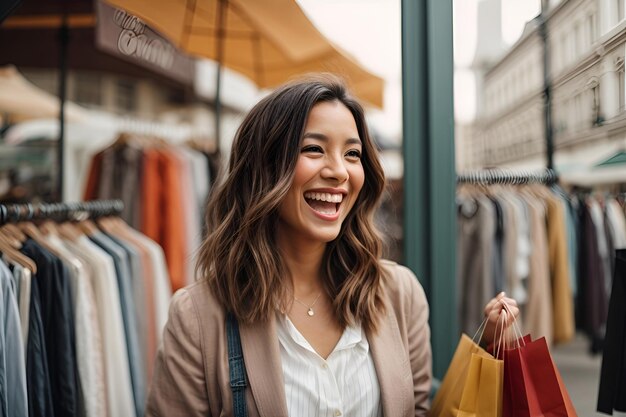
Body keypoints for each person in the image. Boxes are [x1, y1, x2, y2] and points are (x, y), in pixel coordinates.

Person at [145, 74, 519, 417]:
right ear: (263, 168)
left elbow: (417, 411)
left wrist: (484, 348)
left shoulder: (399, 294)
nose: (339, 170)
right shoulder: (198, 316)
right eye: (313, 149)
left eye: (352, 154)